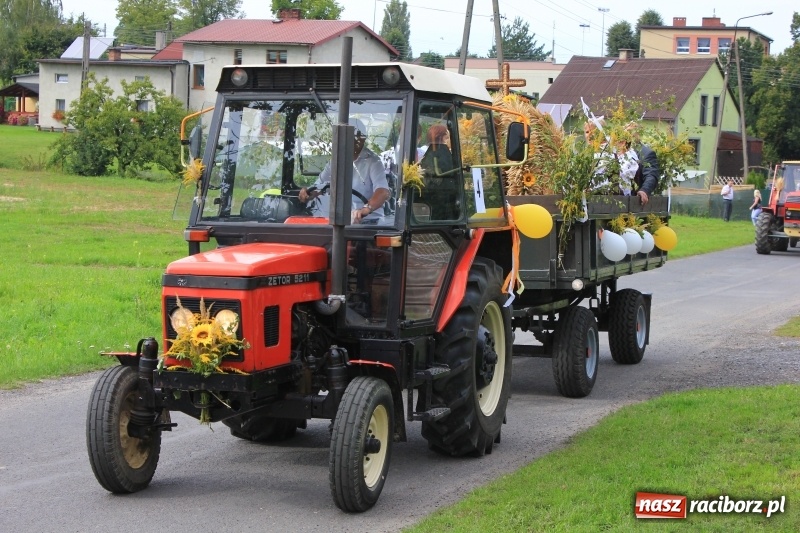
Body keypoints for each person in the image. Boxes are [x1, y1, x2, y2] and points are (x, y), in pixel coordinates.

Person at [298, 117, 390, 223]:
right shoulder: (335, 161)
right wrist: (308, 193)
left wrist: (366, 209)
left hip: (369, 222)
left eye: (356, 137)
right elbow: (319, 186)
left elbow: (383, 191)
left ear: (363, 138)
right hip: (339, 220)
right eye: (347, 136)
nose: (352, 140)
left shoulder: (373, 162)